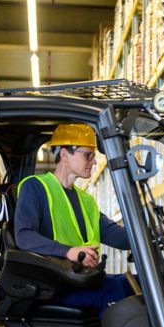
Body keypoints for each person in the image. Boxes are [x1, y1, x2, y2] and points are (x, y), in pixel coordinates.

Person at [14, 123, 132, 315]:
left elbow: (117, 236)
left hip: (80, 278)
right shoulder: (35, 187)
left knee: (132, 284)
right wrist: (69, 251)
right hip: (52, 286)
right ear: (64, 154)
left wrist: (150, 231)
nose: (93, 162)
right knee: (113, 291)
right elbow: (24, 236)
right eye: (88, 155)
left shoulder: (86, 201)